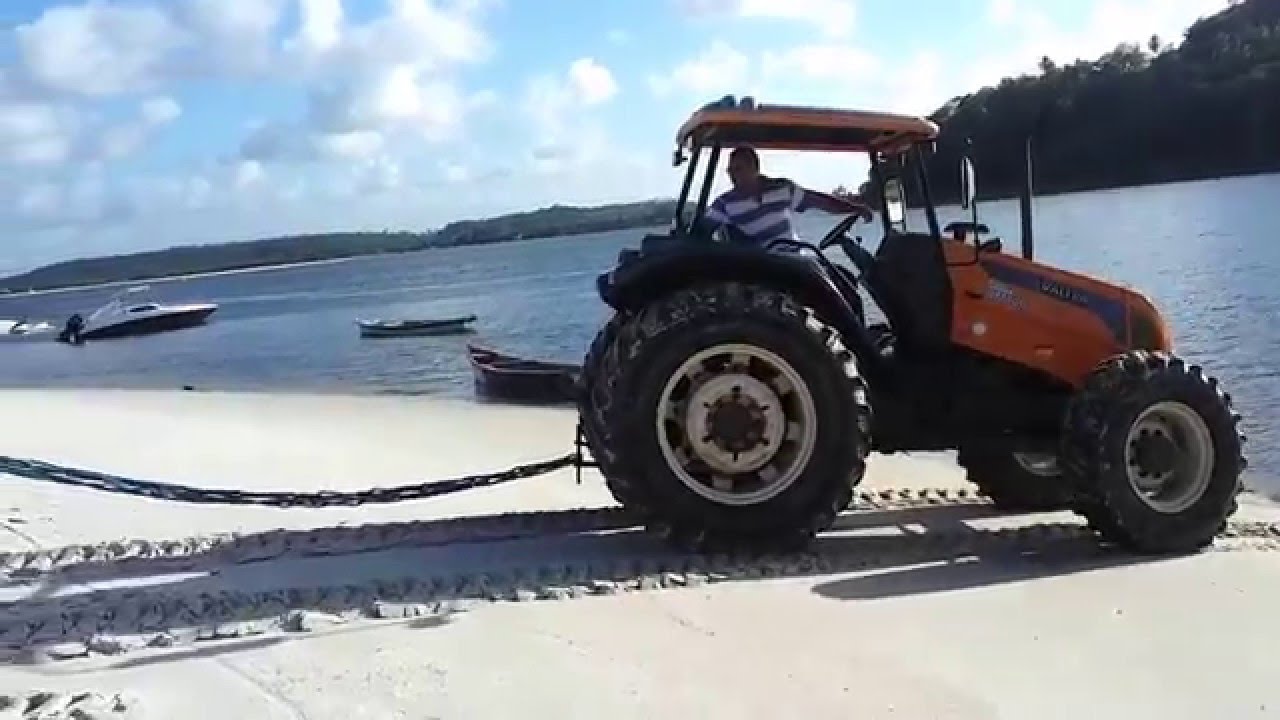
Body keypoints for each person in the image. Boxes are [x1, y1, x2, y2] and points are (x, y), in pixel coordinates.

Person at [703, 145, 875, 251]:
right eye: (730, 171)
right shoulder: (724, 204)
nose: (732, 176)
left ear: (755, 168)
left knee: (842, 279)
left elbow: (820, 201)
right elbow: (702, 232)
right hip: (760, 266)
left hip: (793, 259)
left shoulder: (781, 189)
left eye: (738, 170)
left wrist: (854, 208)